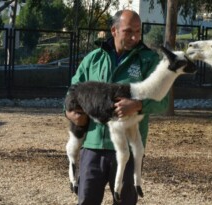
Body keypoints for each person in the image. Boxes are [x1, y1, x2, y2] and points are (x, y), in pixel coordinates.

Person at [65, 10, 169, 205]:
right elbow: (72, 91)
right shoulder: (93, 59)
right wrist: (71, 114)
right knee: (86, 200)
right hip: (92, 147)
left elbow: (163, 101)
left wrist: (138, 105)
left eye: (138, 32)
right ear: (114, 30)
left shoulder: (148, 61)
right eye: (128, 31)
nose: (135, 37)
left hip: (126, 150)